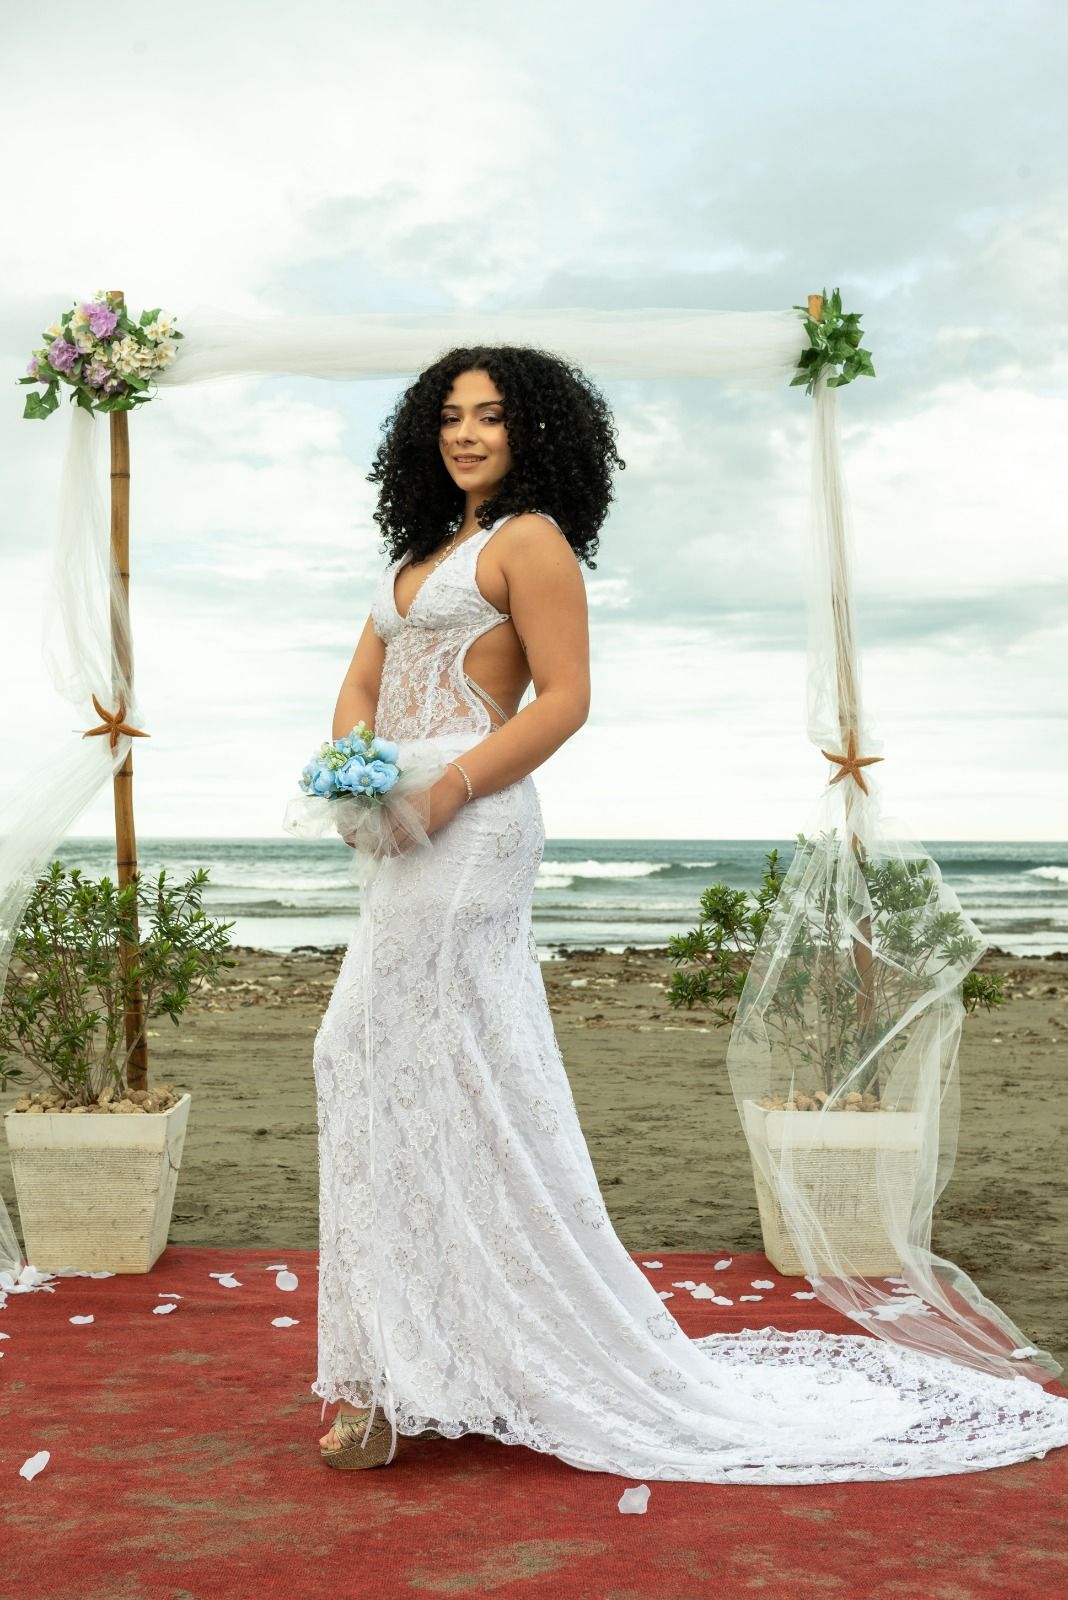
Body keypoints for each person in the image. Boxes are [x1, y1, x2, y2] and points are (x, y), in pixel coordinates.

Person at [310, 345, 1068, 1480]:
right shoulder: (417, 555)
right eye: (452, 416)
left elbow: (565, 699)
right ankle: (399, 1366)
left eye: (492, 418)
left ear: (534, 435)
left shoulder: (533, 542)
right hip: (396, 830)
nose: (467, 434)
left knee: (399, 1058)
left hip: (472, 828)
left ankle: (411, 1375)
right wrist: (350, 774)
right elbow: (362, 680)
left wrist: (446, 786)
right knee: (379, 1062)